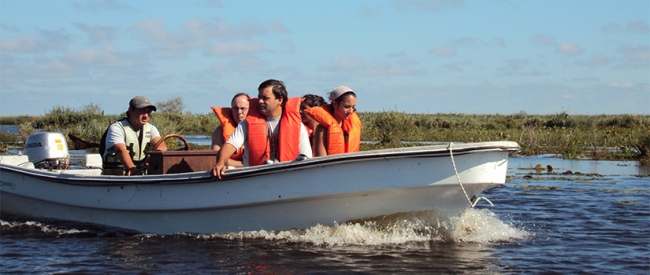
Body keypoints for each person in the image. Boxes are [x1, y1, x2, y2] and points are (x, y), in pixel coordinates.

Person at [211, 79, 312, 179]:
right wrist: (220, 163)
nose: (260, 101)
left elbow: (306, 158)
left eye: (265, 98)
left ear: (280, 100)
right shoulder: (246, 124)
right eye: (259, 97)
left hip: (286, 177)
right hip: (254, 177)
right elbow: (230, 145)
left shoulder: (298, 126)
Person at [100, 95, 167, 175]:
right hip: (117, 176)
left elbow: (162, 146)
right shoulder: (117, 128)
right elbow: (120, 150)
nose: (146, 115)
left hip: (141, 175)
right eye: (142, 111)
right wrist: (132, 168)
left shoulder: (151, 128)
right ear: (131, 110)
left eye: (148, 112)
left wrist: (151, 158)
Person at [304, 85, 361, 157]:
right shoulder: (322, 130)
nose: (351, 111)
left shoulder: (351, 125)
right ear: (335, 104)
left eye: (353, 107)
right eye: (347, 107)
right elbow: (322, 162)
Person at [210, 93, 250, 168]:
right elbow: (215, 157)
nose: (239, 112)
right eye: (235, 109)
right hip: (230, 170)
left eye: (243, 108)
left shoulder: (259, 128)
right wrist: (243, 164)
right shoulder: (220, 131)